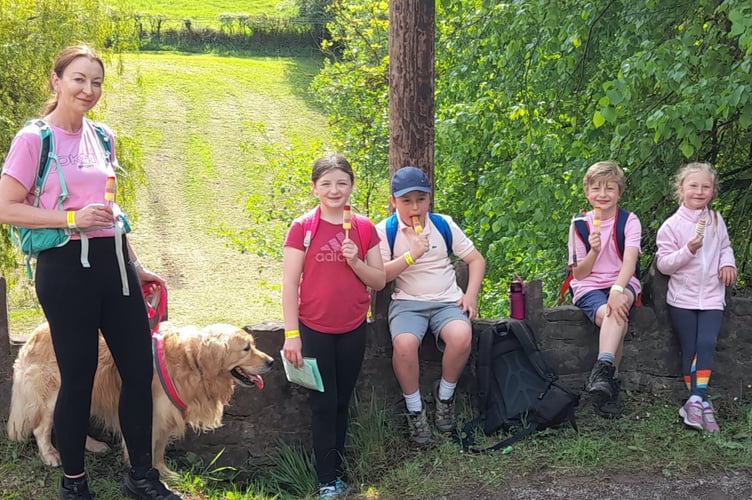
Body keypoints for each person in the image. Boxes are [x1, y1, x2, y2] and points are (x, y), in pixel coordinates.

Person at [0, 45, 180, 500]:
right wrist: (70, 220)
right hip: (65, 270)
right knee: (78, 376)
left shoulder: (102, 136)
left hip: (114, 266)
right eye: (79, 79)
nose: (89, 89)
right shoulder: (33, 139)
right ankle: (74, 483)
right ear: (56, 81)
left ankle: (142, 476)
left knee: (138, 371)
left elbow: (111, 212)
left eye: (96, 81)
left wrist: (135, 265)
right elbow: (6, 207)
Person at [281, 153, 385, 499]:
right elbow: (289, 283)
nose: (334, 190)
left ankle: (338, 471)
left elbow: (379, 280)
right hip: (314, 329)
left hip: (353, 327)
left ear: (352, 186)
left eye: (341, 182)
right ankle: (327, 481)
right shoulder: (302, 228)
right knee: (323, 404)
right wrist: (291, 335)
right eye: (326, 183)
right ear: (314, 188)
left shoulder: (365, 227)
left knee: (342, 402)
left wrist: (354, 259)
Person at [376, 166, 486, 444]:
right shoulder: (386, 231)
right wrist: (412, 255)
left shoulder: (443, 224)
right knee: (404, 345)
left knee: (462, 337)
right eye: (406, 201)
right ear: (393, 201)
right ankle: (415, 411)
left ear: (429, 199)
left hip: (446, 300)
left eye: (421, 199)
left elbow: (476, 259)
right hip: (407, 302)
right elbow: (381, 276)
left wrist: (470, 295)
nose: (415, 207)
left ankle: (444, 398)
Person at [655, 162, 736, 433]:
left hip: (713, 296)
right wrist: (688, 250)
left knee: (707, 342)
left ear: (712, 191)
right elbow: (664, 264)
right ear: (681, 189)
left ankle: (694, 401)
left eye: (705, 186)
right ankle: (701, 402)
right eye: (693, 185)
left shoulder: (716, 220)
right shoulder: (671, 226)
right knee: (690, 348)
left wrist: (728, 264)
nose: (699, 191)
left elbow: (725, 247)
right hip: (682, 299)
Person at [567, 160, 641, 419]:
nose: (603, 195)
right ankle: (611, 382)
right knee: (615, 317)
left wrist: (618, 288)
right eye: (596, 189)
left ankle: (602, 369)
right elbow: (579, 273)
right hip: (589, 284)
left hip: (623, 280)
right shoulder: (579, 224)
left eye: (610, 188)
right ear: (587, 193)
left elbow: (630, 261)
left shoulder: (629, 220)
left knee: (616, 310)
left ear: (619, 192)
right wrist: (594, 250)